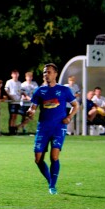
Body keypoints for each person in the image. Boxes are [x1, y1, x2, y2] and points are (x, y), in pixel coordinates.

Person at [27, 63, 78, 195]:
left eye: (49, 72)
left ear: (55, 74)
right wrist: (30, 111)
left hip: (58, 127)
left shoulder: (64, 90)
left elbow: (75, 105)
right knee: (38, 159)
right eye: (45, 72)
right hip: (43, 128)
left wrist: (69, 117)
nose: (46, 74)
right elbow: (33, 107)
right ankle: (50, 180)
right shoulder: (39, 91)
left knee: (54, 156)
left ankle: (52, 186)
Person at [5, 70, 24, 134]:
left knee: (15, 115)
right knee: (12, 115)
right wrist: (11, 97)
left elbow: (21, 92)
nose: (15, 75)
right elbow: (6, 90)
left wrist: (21, 98)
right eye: (14, 74)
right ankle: (11, 129)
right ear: (12, 75)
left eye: (16, 74)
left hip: (18, 101)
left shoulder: (19, 83)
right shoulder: (9, 82)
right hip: (12, 101)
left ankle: (13, 128)